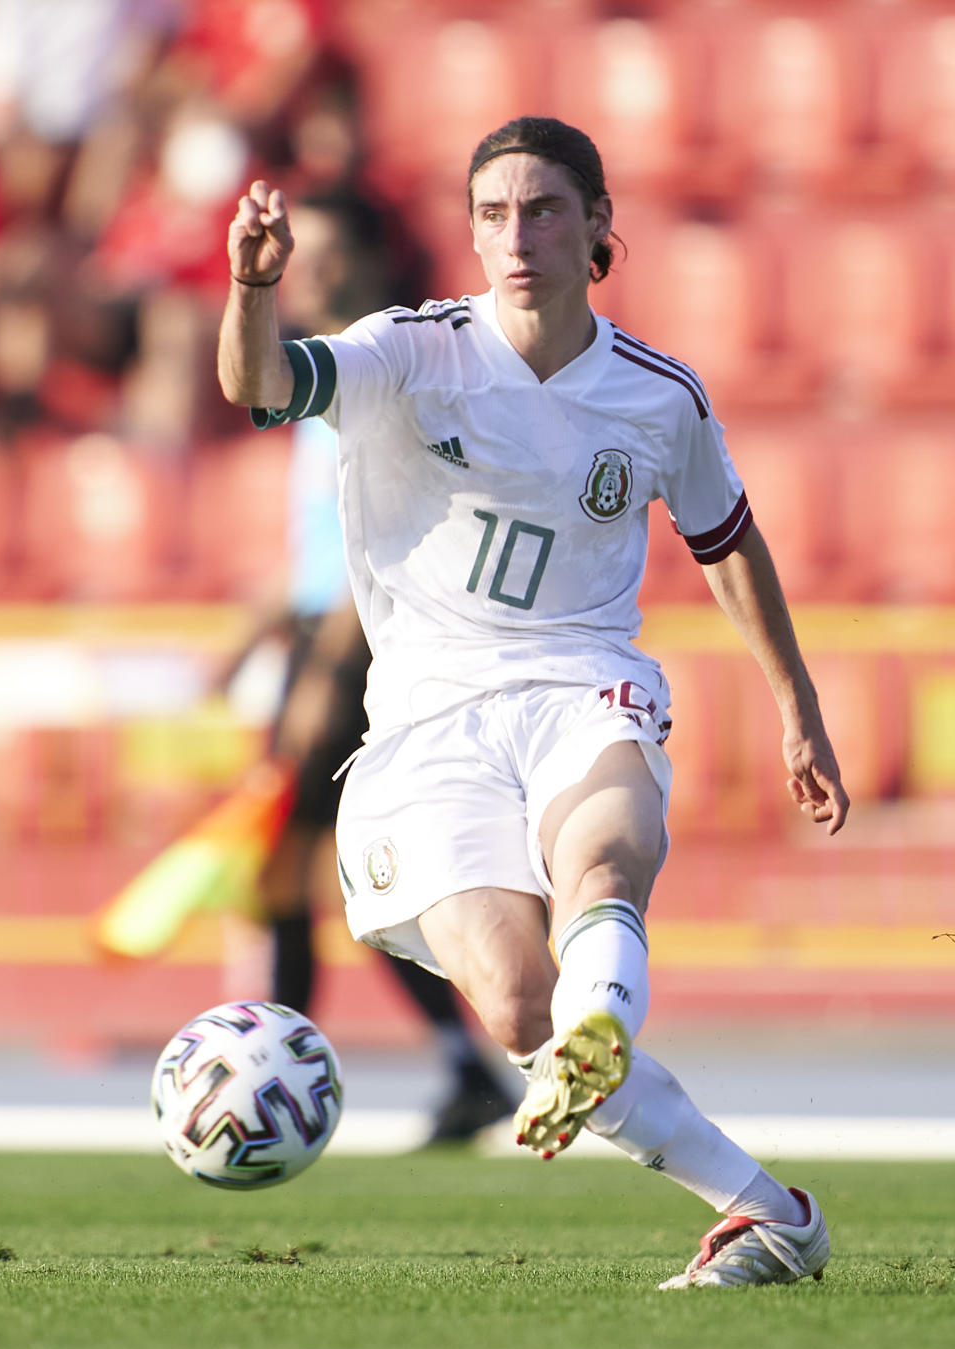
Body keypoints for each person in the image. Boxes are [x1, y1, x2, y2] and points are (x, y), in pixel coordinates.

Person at [218, 116, 850, 1289]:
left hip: (580, 680)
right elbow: (258, 386)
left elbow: (728, 540)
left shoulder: (659, 396)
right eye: (496, 214)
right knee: (518, 1004)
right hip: (424, 720)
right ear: (470, 233)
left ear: (600, 227)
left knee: (602, 864)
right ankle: (773, 1214)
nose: (519, 235)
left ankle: (600, 1019)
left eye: (547, 209)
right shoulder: (406, 352)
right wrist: (253, 293)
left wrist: (797, 708)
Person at [219, 192, 516, 1142]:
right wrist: (256, 629)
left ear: (371, 263)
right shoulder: (319, 370)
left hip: (354, 648)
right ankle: (459, 1060)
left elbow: (381, 547)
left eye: (331, 250)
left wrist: (320, 675)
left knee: (297, 873)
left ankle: (276, 1064)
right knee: (322, 877)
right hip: (316, 636)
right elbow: (327, 538)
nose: (311, 267)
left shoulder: (378, 367)